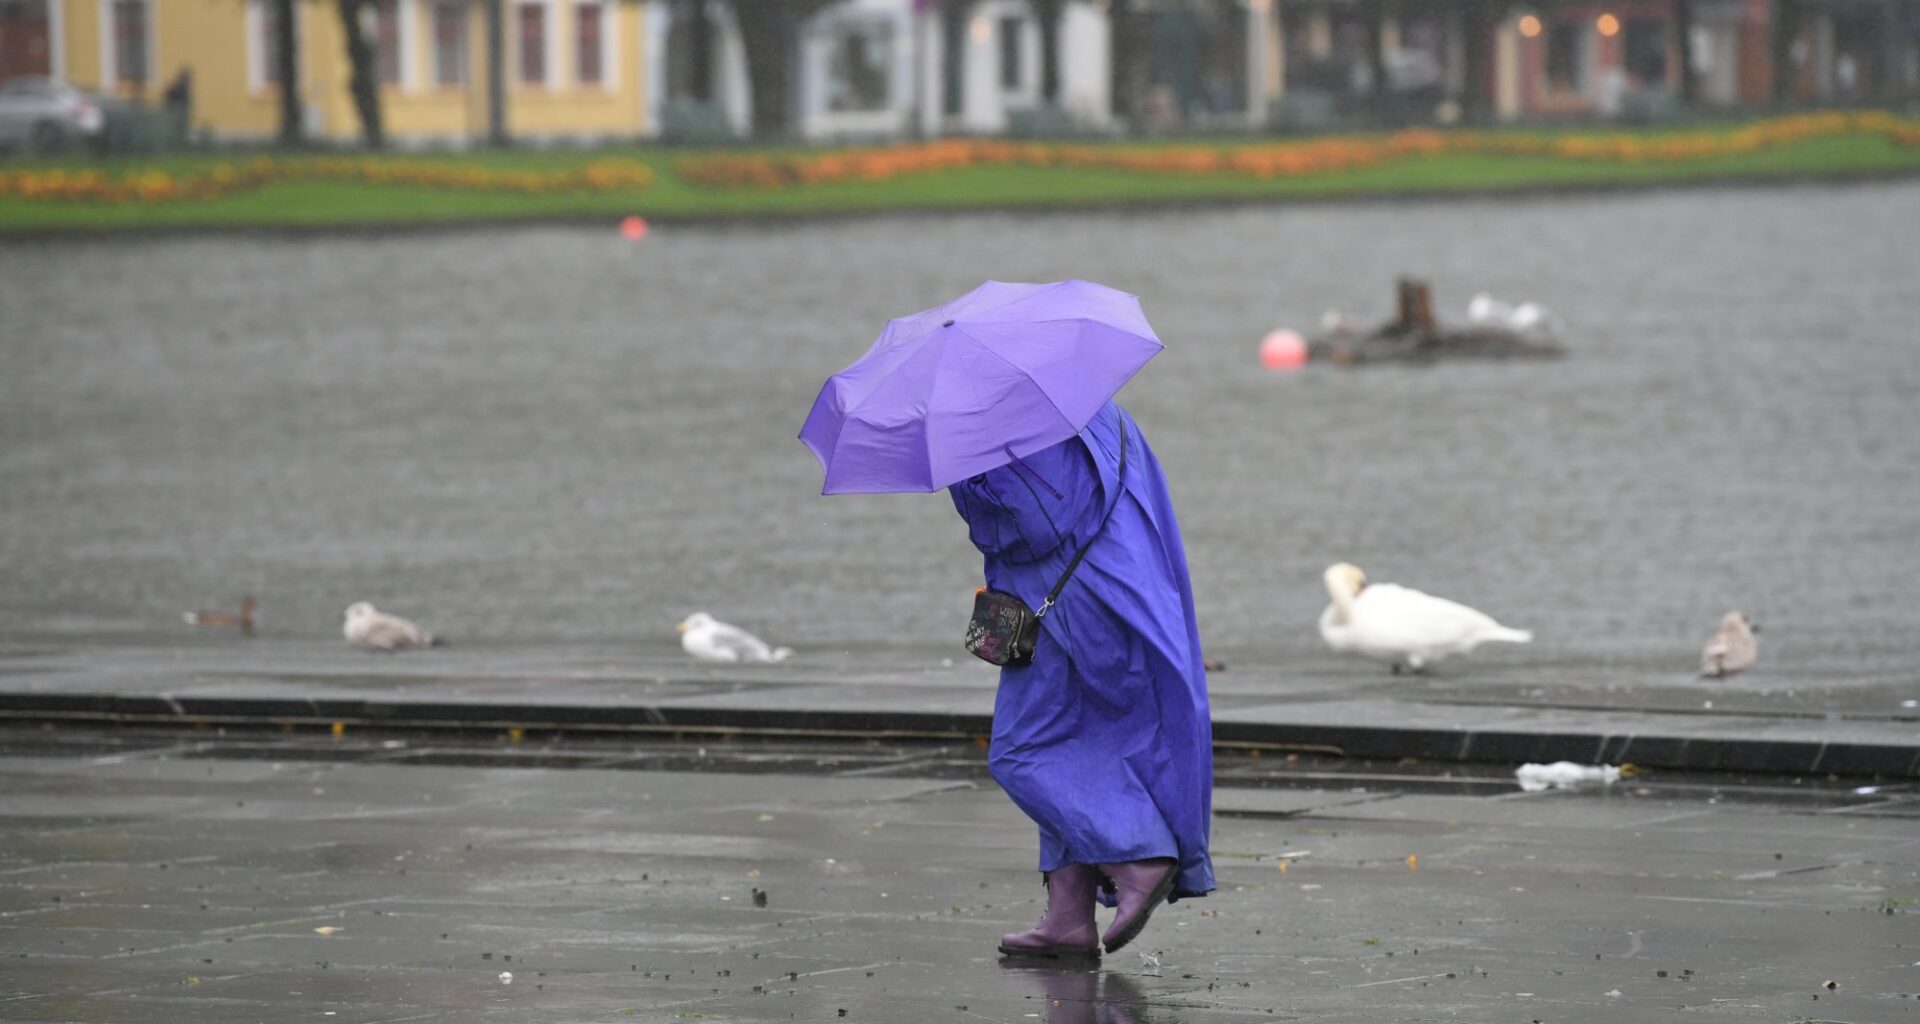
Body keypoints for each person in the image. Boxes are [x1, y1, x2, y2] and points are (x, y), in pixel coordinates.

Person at [949, 401, 1214, 959]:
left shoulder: (1012, 424)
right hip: (1125, 587)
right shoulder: (1099, 410)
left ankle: (1133, 857)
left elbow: (1031, 521)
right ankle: (1069, 916)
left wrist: (963, 475)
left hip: (1068, 602)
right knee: (1075, 741)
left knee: (1022, 750)